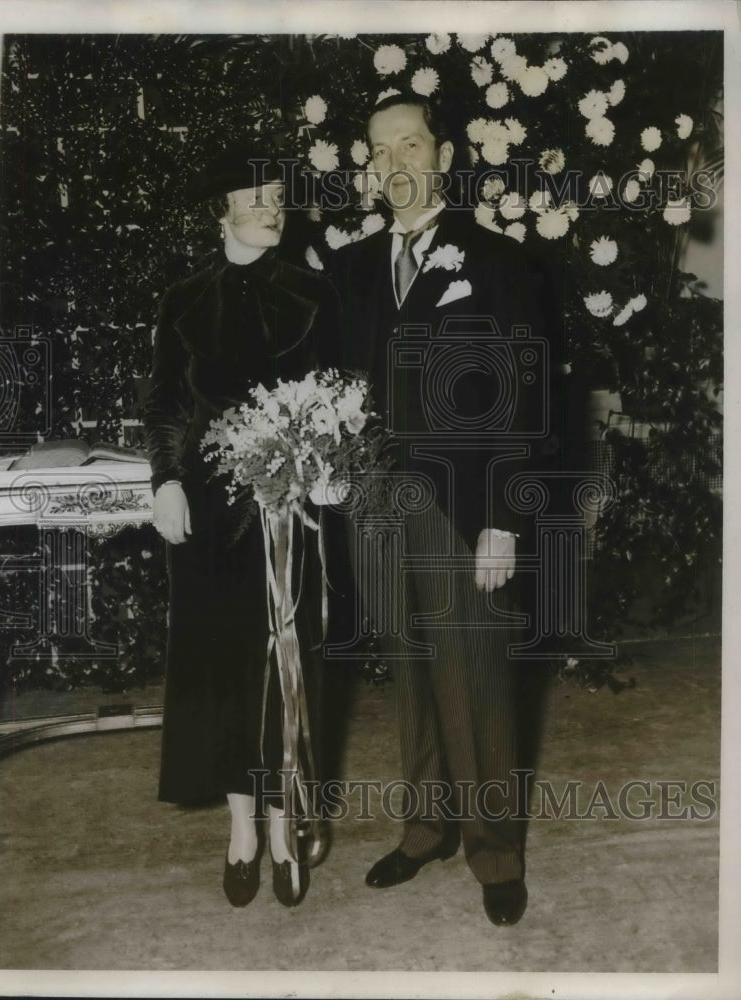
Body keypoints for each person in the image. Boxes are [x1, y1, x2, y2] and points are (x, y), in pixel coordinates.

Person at [327, 93, 558, 926]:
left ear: (444, 154)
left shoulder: (496, 260)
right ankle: (426, 828)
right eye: (380, 150)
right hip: (374, 501)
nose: (396, 163)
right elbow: (331, 391)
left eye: (411, 144)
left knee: (477, 682)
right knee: (411, 672)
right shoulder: (349, 268)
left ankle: (494, 850)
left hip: (462, 507)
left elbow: (525, 394)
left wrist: (501, 518)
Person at [143, 144, 341, 908]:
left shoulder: (315, 295)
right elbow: (165, 401)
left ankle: (288, 825)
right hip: (207, 510)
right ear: (221, 212)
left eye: (278, 199)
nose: (271, 209)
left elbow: (337, 392)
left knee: (286, 666)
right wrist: (163, 480)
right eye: (255, 198)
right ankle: (241, 833)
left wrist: (323, 465)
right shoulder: (183, 299)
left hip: (291, 508)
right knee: (218, 669)